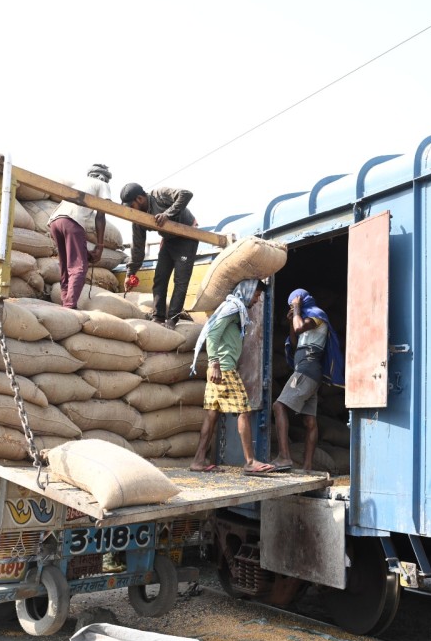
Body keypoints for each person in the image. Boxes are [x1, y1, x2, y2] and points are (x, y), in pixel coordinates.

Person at [189, 279, 279, 474]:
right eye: (256, 295)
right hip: (224, 369)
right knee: (244, 411)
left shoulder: (236, 309)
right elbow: (212, 334)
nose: (257, 300)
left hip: (220, 369)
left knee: (212, 415)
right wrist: (214, 363)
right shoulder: (231, 308)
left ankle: (198, 460)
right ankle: (250, 461)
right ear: (247, 291)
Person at [272, 289, 345, 471]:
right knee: (309, 422)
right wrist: (292, 319)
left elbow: (299, 328)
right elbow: (295, 342)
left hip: (307, 370)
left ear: (302, 302)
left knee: (278, 406)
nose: (293, 309)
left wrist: (297, 310)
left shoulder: (317, 316)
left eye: (294, 304)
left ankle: (284, 457)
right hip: (309, 372)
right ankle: (307, 467)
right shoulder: (304, 321)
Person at [121, 183, 199, 327]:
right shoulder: (138, 219)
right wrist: (130, 273)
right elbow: (138, 248)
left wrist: (167, 214)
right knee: (160, 278)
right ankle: (158, 316)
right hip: (169, 241)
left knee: (180, 280)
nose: (131, 210)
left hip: (187, 237)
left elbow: (186, 194)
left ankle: (172, 319)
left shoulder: (159, 195)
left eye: (131, 206)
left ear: (139, 199)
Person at [48, 163, 111, 309]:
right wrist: (100, 246)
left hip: (55, 222)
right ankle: (70, 305)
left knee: (66, 266)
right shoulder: (102, 184)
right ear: (104, 177)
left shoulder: (80, 183)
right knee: (79, 267)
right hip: (72, 221)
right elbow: (100, 216)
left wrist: (86, 253)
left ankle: (66, 302)